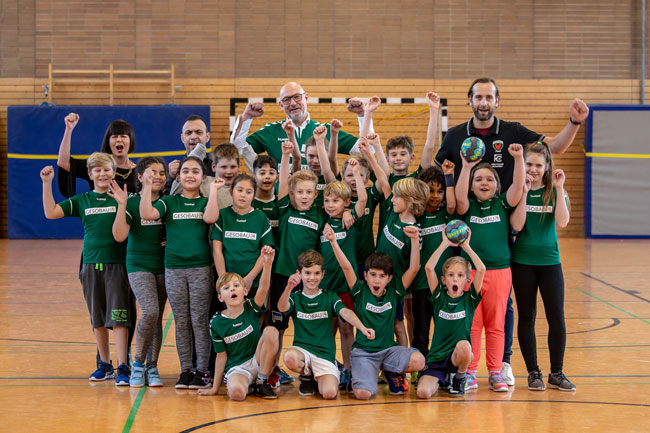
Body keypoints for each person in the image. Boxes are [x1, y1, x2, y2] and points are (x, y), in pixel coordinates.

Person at [435, 78, 589, 385]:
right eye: (478, 96)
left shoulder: (513, 132)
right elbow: (436, 171)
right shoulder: (455, 136)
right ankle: (462, 367)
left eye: (489, 96)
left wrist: (574, 122)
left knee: (502, 306)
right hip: (469, 235)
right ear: (470, 100)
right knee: (471, 310)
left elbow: (554, 148)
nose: (483, 102)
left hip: (505, 227)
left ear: (496, 101)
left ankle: (501, 364)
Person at [41, 153, 131, 385]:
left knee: (119, 318)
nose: (102, 174)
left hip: (117, 265)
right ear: (90, 175)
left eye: (106, 170)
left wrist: (123, 204)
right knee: (98, 319)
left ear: (114, 172)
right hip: (91, 265)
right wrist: (47, 184)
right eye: (97, 170)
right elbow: (50, 213)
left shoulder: (122, 198)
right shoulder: (82, 200)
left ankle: (123, 366)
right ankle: (105, 365)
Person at [139, 156, 222, 390]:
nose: (189, 175)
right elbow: (147, 213)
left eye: (195, 171)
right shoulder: (169, 202)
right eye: (185, 171)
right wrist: (146, 187)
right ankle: (186, 368)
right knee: (182, 320)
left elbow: (211, 218)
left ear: (203, 177)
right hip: (174, 269)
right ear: (178, 176)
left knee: (199, 319)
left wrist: (214, 191)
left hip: (201, 269)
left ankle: (203, 370)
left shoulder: (205, 202)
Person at [455, 143, 525, 392]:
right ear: (472, 185)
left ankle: (495, 371)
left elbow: (517, 190)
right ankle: (471, 371)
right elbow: (460, 197)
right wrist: (466, 167)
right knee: (473, 324)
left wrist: (518, 159)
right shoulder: (468, 207)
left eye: (489, 179)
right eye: (478, 180)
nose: (483, 183)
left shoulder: (502, 205)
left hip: (499, 273)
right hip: (471, 274)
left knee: (495, 324)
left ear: (497, 186)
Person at [325, 223, 424, 399]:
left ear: (389, 278)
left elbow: (414, 268)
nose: (376, 280)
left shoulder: (395, 290)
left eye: (381, 276)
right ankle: (369, 372)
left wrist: (415, 240)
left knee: (419, 360)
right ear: (365, 275)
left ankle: (390, 371)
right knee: (363, 394)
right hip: (364, 353)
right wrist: (333, 242)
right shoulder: (359, 291)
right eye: (372, 274)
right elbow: (347, 266)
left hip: (389, 351)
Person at [510, 141, 575, 391]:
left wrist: (559, 188)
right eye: (529, 164)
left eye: (538, 165)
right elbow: (516, 226)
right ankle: (533, 372)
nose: (533, 169)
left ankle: (556, 373)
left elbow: (562, 222)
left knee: (556, 318)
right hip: (523, 263)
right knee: (526, 317)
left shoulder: (555, 190)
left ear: (547, 166)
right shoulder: (517, 191)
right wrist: (524, 191)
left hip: (550, 263)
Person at [278, 250, 375, 400]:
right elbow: (282, 308)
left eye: (316, 273)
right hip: (302, 351)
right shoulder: (295, 298)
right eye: (307, 273)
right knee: (290, 357)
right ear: (299, 273)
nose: (312, 278)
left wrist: (362, 327)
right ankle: (307, 376)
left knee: (329, 394)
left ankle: (321, 375)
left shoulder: (329, 296)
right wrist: (288, 287)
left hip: (324, 356)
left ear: (323, 274)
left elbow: (345, 312)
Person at [110, 157, 168, 387]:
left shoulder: (168, 202)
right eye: (153, 172)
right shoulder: (132, 202)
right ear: (140, 176)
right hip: (138, 265)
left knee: (157, 319)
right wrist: (122, 206)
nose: (158, 176)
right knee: (151, 312)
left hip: (165, 265)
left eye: (162, 172)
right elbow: (119, 236)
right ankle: (137, 364)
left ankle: (152, 367)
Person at [198, 246, 279, 400]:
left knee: (271, 331)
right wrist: (215, 388)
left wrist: (267, 265)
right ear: (221, 297)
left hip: (258, 360)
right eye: (226, 288)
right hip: (238, 368)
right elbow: (221, 356)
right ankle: (248, 385)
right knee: (237, 394)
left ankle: (262, 381)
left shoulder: (250, 308)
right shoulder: (217, 323)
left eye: (236, 286)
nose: (232, 290)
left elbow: (263, 288)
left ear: (245, 291)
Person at [229, 82, 365, 171]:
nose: (293, 103)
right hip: (282, 208)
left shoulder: (327, 131)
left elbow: (366, 149)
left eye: (297, 97)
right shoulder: (270, 131)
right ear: (281, 105)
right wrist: (246, 118)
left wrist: (363, 115)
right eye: (287, 100)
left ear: (306, 98)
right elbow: (236, 151)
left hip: (321, 210)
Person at [417, 231, 486, 398]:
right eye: (451, 275)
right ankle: (443, 378)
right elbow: (428, 268)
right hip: (437, 358)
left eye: (460, 275)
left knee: (465, 346)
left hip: (457, 357)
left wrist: (466, 246)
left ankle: (459, 377)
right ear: (443, 280)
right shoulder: (439, 297)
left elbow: (482, 268)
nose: (455, 280)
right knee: (423, 393)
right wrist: (445, 243)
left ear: (467, 281)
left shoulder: (469, 299)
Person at [211, 173, 274, 296]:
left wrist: (250, 278)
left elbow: (265, 253)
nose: (243, 195)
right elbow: (217, 250)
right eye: (239, 190)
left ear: (254, 195)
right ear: (231, 191)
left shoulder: (261, 218)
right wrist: (223, 279)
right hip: (227, 283)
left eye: (249, 192)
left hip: (253, 282)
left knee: (252, 313)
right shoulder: (222, 216)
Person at [57, 114, 138, 198]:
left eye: (123, 136)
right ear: (108, 142)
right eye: (114, 136)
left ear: (131, 140)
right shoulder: (97, 166)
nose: (118, 139)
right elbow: (63, 162)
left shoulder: (140, 173)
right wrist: (68, 129)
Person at [167, 115, 214, 185]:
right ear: (182, 138)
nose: (193, 137)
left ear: (207, 137)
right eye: (188, 133)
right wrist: (170, 179)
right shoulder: (174, 171)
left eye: (199, 132)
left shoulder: (215, 169)